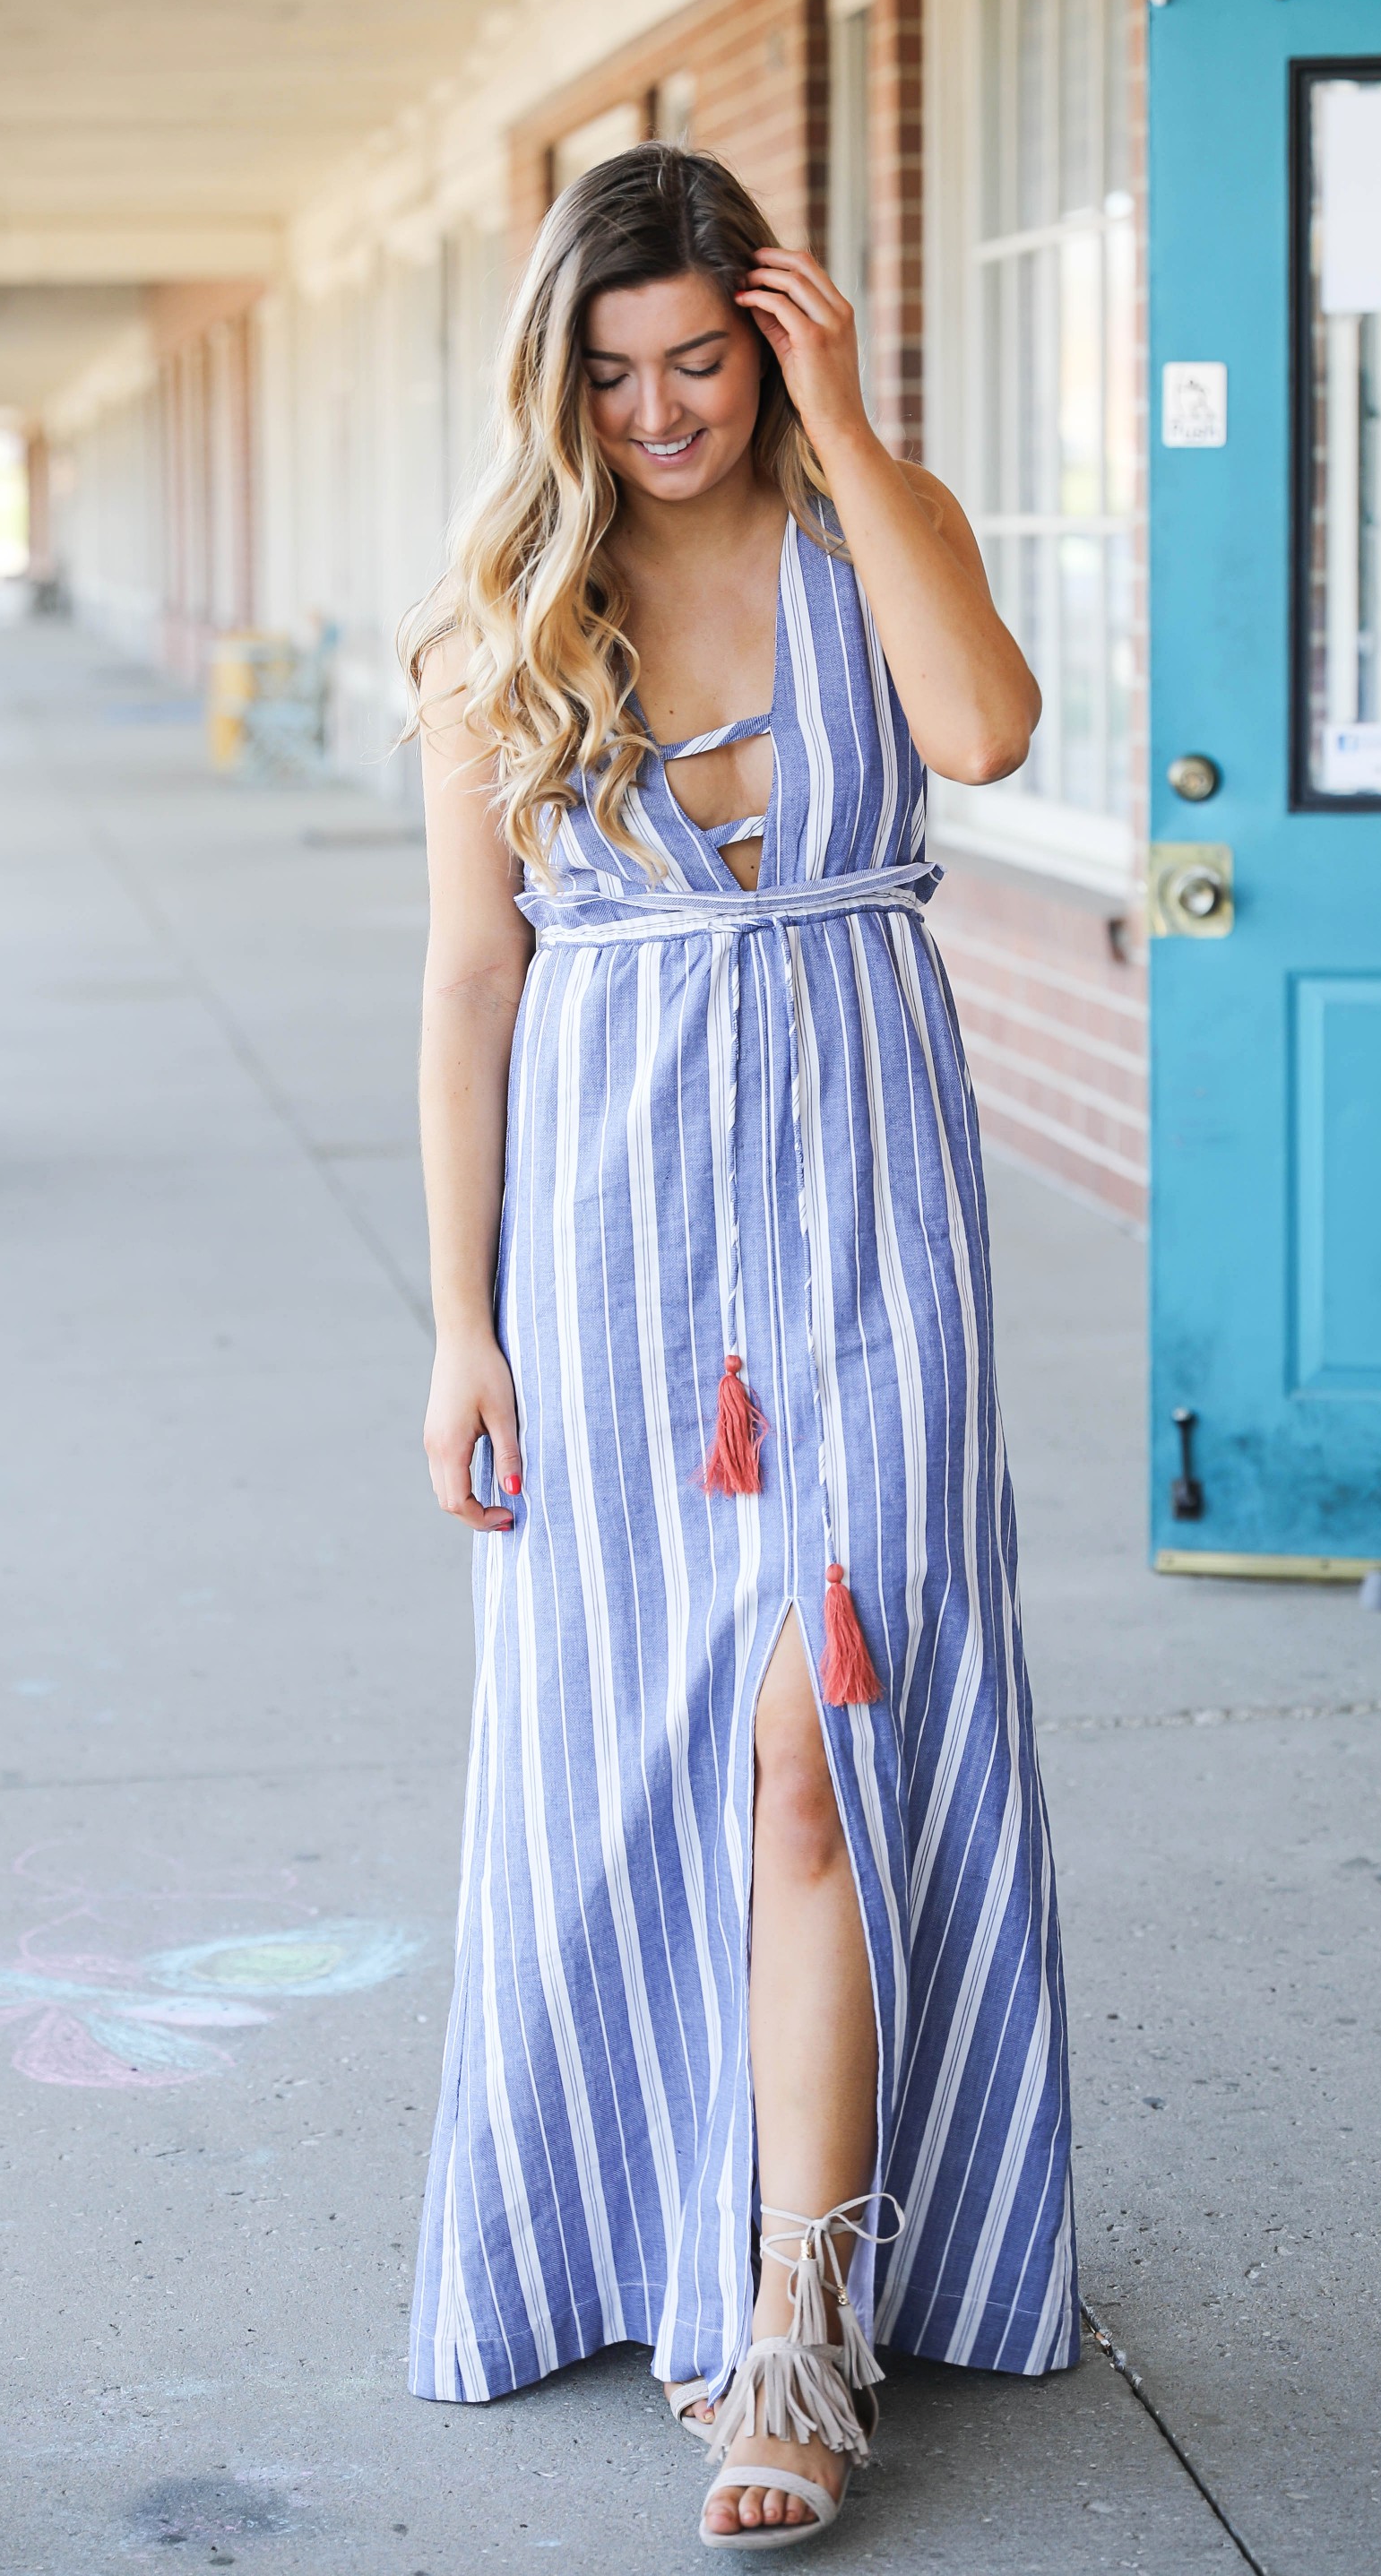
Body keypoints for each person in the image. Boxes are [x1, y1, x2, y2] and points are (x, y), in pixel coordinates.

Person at [403, 141, 1078, 2551]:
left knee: (829, 1740)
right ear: (557, 383)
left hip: (873, 1228)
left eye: (704, 357)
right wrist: (463, 1330)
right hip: (616, 1257)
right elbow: (471, 984)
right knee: (638, 1756)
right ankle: (650, 2224)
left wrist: (852, 423)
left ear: (767, 335)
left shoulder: (861, 539)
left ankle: (797, 2327)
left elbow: (987, 733)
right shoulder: (506, 615)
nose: (665, 410)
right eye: (616, 372)